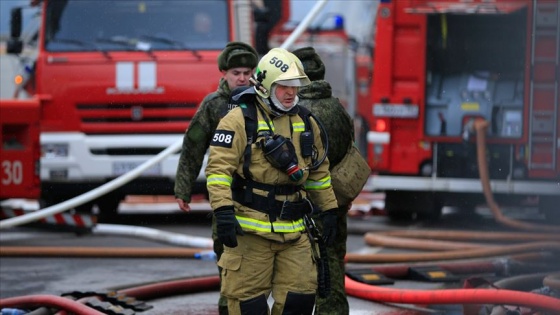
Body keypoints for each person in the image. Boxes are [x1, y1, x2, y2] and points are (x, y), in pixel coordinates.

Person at [205, 47, 339, 315]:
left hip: (296, 231)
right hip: (251, 233)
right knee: (249, 306)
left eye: (295, 87)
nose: (291, 93)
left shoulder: (305, 121)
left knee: (299, 303)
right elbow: (218, 171)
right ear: (265, 85)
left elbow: (318, 173)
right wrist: (223, 212)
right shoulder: (238, 120)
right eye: (283, 86)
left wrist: (330, 210)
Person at [174, 41, 258, 315]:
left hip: (258, 194)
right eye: (236, 72)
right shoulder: (213, 105)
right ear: (223, 73)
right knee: (225, 251)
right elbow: (193, 147)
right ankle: (227, 306)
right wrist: (183, 190)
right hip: (225, 193)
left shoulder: (262, 101)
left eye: (247, 72)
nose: (242, 78)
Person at [293, 46, 361, 315]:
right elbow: (350, 150)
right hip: (339, 202)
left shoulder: (298, 113)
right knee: (334, 262)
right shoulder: (338, 108)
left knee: (305, 270)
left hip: (307, 205)